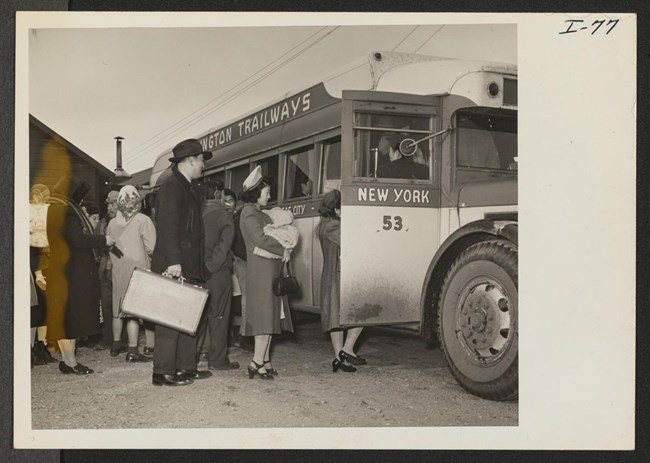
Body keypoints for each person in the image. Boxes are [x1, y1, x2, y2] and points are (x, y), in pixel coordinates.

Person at [150, 138, 213, 386]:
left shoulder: (187, 187)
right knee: (169, 319)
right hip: (175, 264)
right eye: (200, 161)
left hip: (189, 263)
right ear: (190, 161)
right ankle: (163, 371)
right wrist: (174, 262)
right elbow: (167, 228)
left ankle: (185, 366)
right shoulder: (172, 188)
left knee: (189, 316)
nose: (203, 166)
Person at [46, 175, 115, 375]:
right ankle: (71, 363)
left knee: (68, 316)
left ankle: (68, 361)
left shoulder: (57, 207)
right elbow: (78, 239)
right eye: (79, 196)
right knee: (72, 317)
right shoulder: (66, 211)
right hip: (72, 272)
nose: (81, 201)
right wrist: (103, 239)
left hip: (65, 269)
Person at [239, 166, 294, 380]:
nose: (269, 196)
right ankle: (256, 362)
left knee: (271, 316)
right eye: (267, 192)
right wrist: (283, 248)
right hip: (261, 271)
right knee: (264, 318)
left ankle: (264, 361)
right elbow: (261, 239)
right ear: (255, 193)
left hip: (268, 269)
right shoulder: (249, 213)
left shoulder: (257, 213)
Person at [317, 189, 366, 373]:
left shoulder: (325, 224)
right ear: (336, 210)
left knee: (335, 318)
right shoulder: (333, 226)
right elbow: (352, 243)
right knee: (362, 311)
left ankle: (340, 358)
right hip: (338, 275)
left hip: (333, 275)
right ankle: (346, 349)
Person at [106, 186, 156, 363]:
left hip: (119, 268)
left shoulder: (112, 223)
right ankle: (134, 350)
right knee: (135, 310)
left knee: (118, 308)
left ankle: (116, 344)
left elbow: (110, 246)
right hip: (139, 270)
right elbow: (152, 248)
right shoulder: (143, 220)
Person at [199, 179, 239, 371]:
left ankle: (195, 355)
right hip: (217, 272)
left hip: (197, 272)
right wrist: (212, 266)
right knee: (220, 316)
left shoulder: (196, 212)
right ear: (216, 193)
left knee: (199, 316)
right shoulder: (223, 215)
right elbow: (224, 246)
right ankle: (218, 360)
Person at [29, 184, 56, 365]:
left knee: (44, 307)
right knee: (35, 309)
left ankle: (41, 347)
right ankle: (31, 350)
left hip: (44, 263)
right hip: (33, 264)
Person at [96, 190, 120, 353]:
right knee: (106, 304)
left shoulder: (124, 222)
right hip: (104, 266)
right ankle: (107, 338)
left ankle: (121, 339)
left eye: (113, 203)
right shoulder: (102, 224)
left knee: (120, 305)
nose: (110, 207)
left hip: (118, 265)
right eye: (109, 204)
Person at [140, 191, 158, 356]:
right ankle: (153, 343)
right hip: (155, 267)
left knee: (148, 308)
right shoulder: (154, 222)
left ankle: (149, 343)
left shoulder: (141, 220)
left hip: (145, 267)